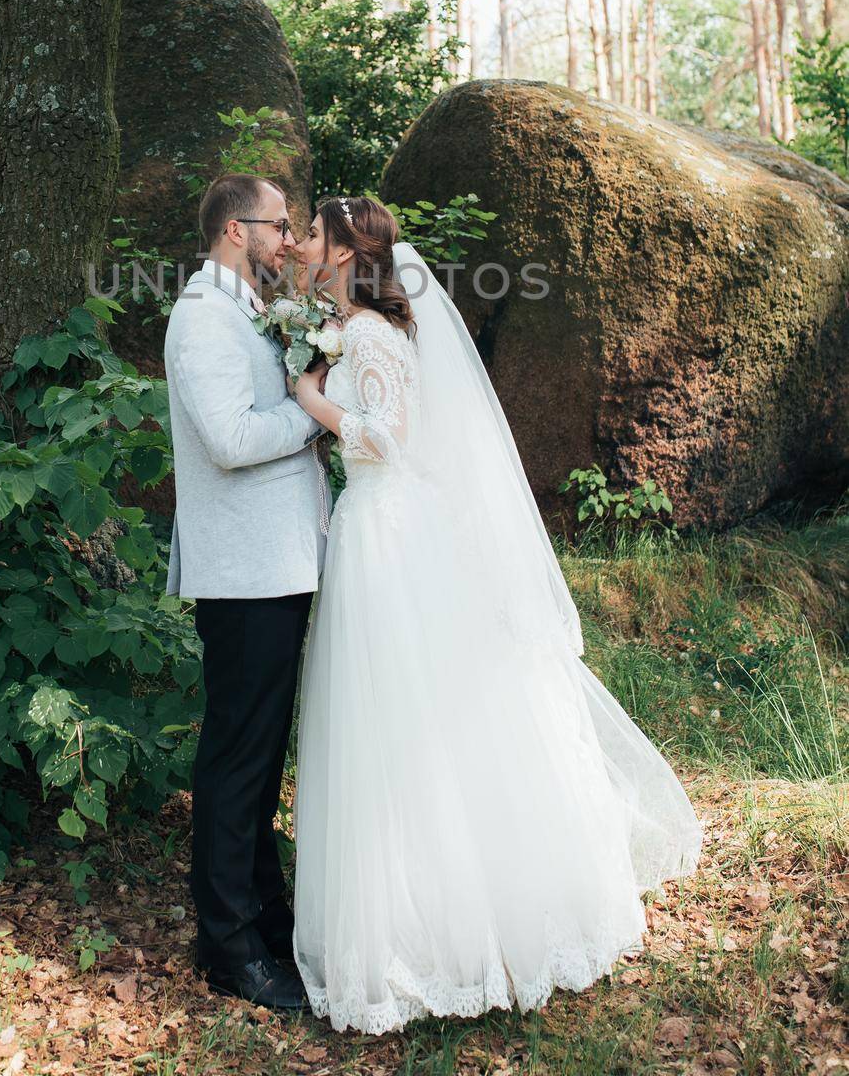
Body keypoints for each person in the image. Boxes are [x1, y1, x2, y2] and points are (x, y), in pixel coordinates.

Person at [288, 194, 703, 1035]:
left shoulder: (365, 331)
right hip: (387, 523)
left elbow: (388, 436)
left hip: (385, 526)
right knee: (408, 713)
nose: (303, 244)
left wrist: (310, 399)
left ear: (341, 254)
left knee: (395, 716)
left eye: (315, 235)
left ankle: (432, 932)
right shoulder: (364, 327)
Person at [163, 173, 331, 1011]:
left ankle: (263, 916)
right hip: (244, 572)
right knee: (237, 756)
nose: (289, 238)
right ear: (237, 231)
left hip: (278, 563)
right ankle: (226, 943)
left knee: (262, 755)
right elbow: (230, 441)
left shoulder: (249, 313)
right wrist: (318, 412)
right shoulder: (201, 320)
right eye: (279, 225)